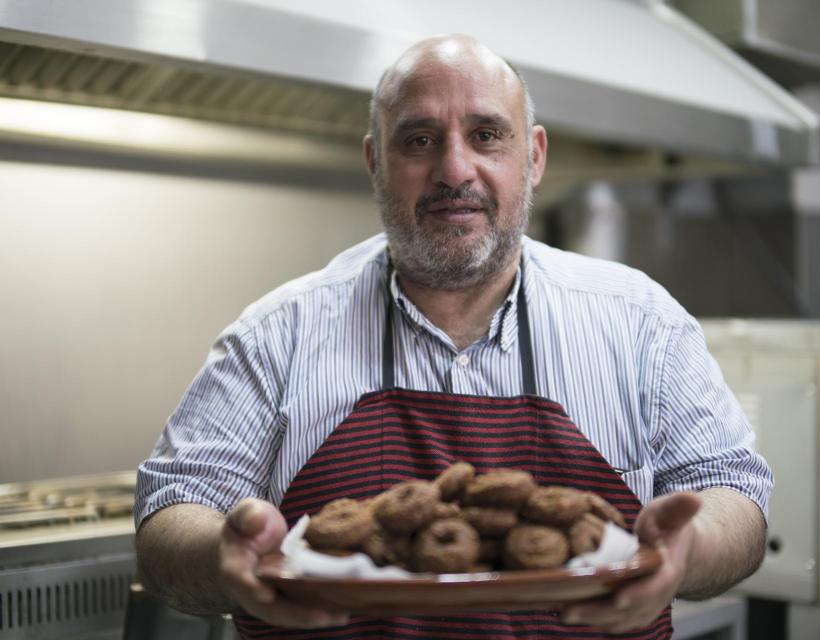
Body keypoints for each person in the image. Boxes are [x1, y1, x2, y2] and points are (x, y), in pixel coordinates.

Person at [135, 34, 772, 639]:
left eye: (487, 135)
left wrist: (687, 549)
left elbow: (734, 493)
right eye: (419, 139)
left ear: (535, 157)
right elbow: (172, 511)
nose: (454, 168)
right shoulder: (279, 334)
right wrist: (225, 556)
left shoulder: (640, 323)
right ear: (375, 162)